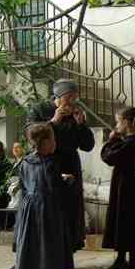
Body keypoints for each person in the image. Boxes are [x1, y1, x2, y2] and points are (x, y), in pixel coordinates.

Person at [26, 79, 95, 255]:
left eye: (75, 97)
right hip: (47, 165)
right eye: (68, 97)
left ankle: (68, 252)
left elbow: (88, 146)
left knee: (70, 209)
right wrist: (53, 121)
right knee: (51, 208)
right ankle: (46, 253)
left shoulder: (76, 113)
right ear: (57, 96)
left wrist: (81, 124)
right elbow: (31, 137)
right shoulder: (39, 109)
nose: (72, 101)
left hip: (70, 164)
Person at [15, 124, 74, 269]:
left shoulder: (25, 161)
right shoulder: (50, 163)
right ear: (46, 142)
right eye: (53, 139)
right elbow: (54, 187)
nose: (55, 142)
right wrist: (67, 181)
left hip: (29, 205)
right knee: (46, 239)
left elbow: (23, 184)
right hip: (46, 205)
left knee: (31, 240)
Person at [101, 107, 135, 269]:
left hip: (128, 187)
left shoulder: (132, 143)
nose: (116, 126)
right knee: (120, 221)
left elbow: (109, 157)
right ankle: (121, 259)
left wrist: (110, 141)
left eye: (118, 122)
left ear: (127, 122)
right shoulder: (129, 140)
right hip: (122, 185)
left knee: (129, 223)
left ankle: (133, 266)